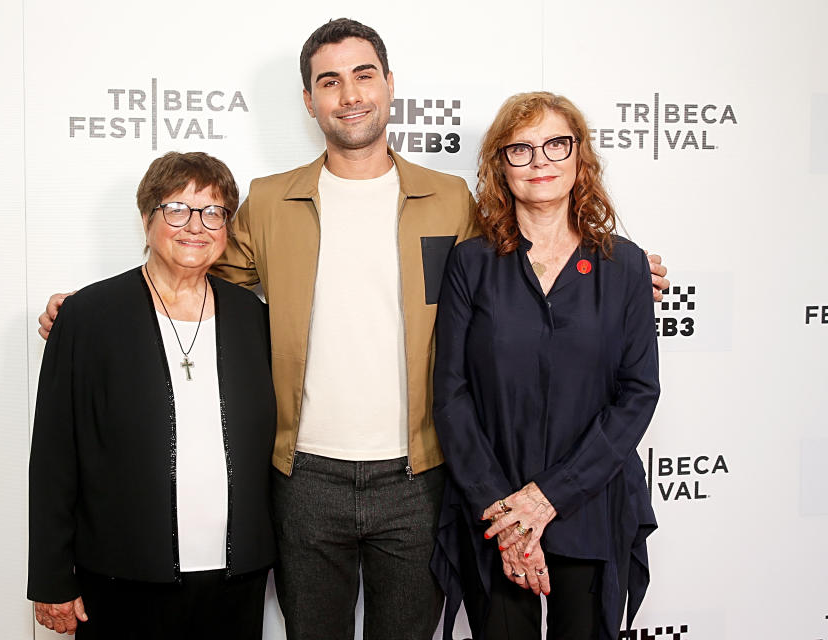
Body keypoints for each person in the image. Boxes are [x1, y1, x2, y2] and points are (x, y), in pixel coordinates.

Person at [37, 20, 669, 640]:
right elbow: (191, 263)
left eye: (363, 75)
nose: (350, 94)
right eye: (329, 81)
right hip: (304, 478)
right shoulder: (269, 200)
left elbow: (524, 260)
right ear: (309, 100)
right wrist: (100, 310)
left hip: (420, 474)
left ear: (390, 85)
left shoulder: (450, 200)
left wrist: (621, 279)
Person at [430, 91, 660, 640]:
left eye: (556, 145)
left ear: (580, 158)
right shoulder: (472, 263)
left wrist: (548, 499)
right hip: (496, 508)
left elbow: (637, 393)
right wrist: (509, 517)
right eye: (521, 149)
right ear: (499, 166)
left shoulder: (624, 265)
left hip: (589, 506)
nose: (540, 162)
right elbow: (452, 395)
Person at [28, 152, 276, 639]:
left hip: (236, 576)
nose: (196, 226)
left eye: (213, 212)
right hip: (121, 575)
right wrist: (52, 578)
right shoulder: (89, 317)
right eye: (177, 209)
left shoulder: (253, 316)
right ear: (147, 220)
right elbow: (55, 455)